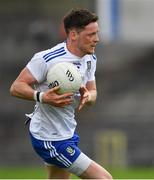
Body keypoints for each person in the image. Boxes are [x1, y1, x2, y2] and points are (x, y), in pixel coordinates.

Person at [10, 8, 112, 179]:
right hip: (49, 137)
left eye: (97, 33)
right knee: (104, 178)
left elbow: (93, 92)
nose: (97, 39)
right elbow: (16, 87)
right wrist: (42, 97)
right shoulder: (47, 58)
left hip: (67, 132)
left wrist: (88, 97)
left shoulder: (90, 59)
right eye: (91, 34)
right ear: (73, 35)